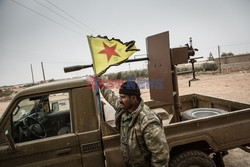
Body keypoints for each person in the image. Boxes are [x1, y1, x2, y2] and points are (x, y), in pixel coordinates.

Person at [99, 80, 169, 167]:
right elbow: (111, 97)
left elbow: (160, 156)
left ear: (133, 98)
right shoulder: (124, 109)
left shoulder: (148, 122)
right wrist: (100, 84)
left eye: (123, 97)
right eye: (120, 97)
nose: (120, 100)